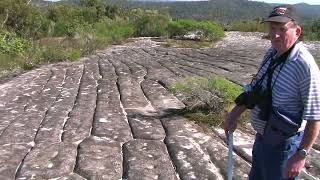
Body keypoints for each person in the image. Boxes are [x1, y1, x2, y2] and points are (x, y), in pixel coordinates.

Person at [224, 5, 320, 180]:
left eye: (282, 30)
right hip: (262, 139)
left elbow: (315, 116)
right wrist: (233, 114)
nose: (275, 35)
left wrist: (301, 156)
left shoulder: (305, 65)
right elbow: (256, 89)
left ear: (297, 32)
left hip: (285, 146)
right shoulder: (272, 53)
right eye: (272, 28)